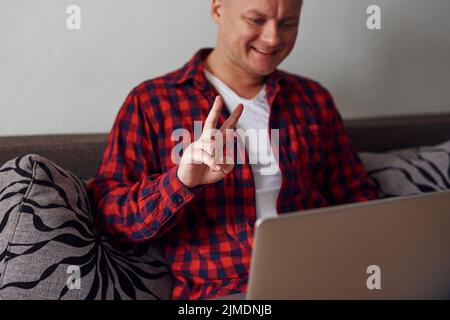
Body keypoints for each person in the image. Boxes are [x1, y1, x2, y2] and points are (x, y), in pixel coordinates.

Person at [88, 0, 379, 300]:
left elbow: (358, 198)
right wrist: (180, 182)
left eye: (288, 24)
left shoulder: (313, 99)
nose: (273, 38)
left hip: (321, 282)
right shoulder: (151, 103)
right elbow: (112, 219)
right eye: (256, 20)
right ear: (217, 9)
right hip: (221, 296)